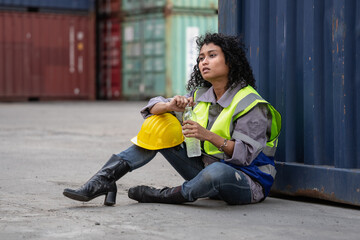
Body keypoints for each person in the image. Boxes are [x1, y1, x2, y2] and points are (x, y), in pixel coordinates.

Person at [63, 33, 281, 206]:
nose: (204, 62)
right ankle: (103, 180)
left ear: (230, 61)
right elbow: (151, 107)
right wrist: (169, 106)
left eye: (212, 55)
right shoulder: (200, 96)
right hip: (204, 174)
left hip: (246, 181)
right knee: (160, 124)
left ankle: (164, 196)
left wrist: (207, 135)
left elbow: (244, 157)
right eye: (201, 58)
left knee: (217, 172)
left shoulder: (250, 103)